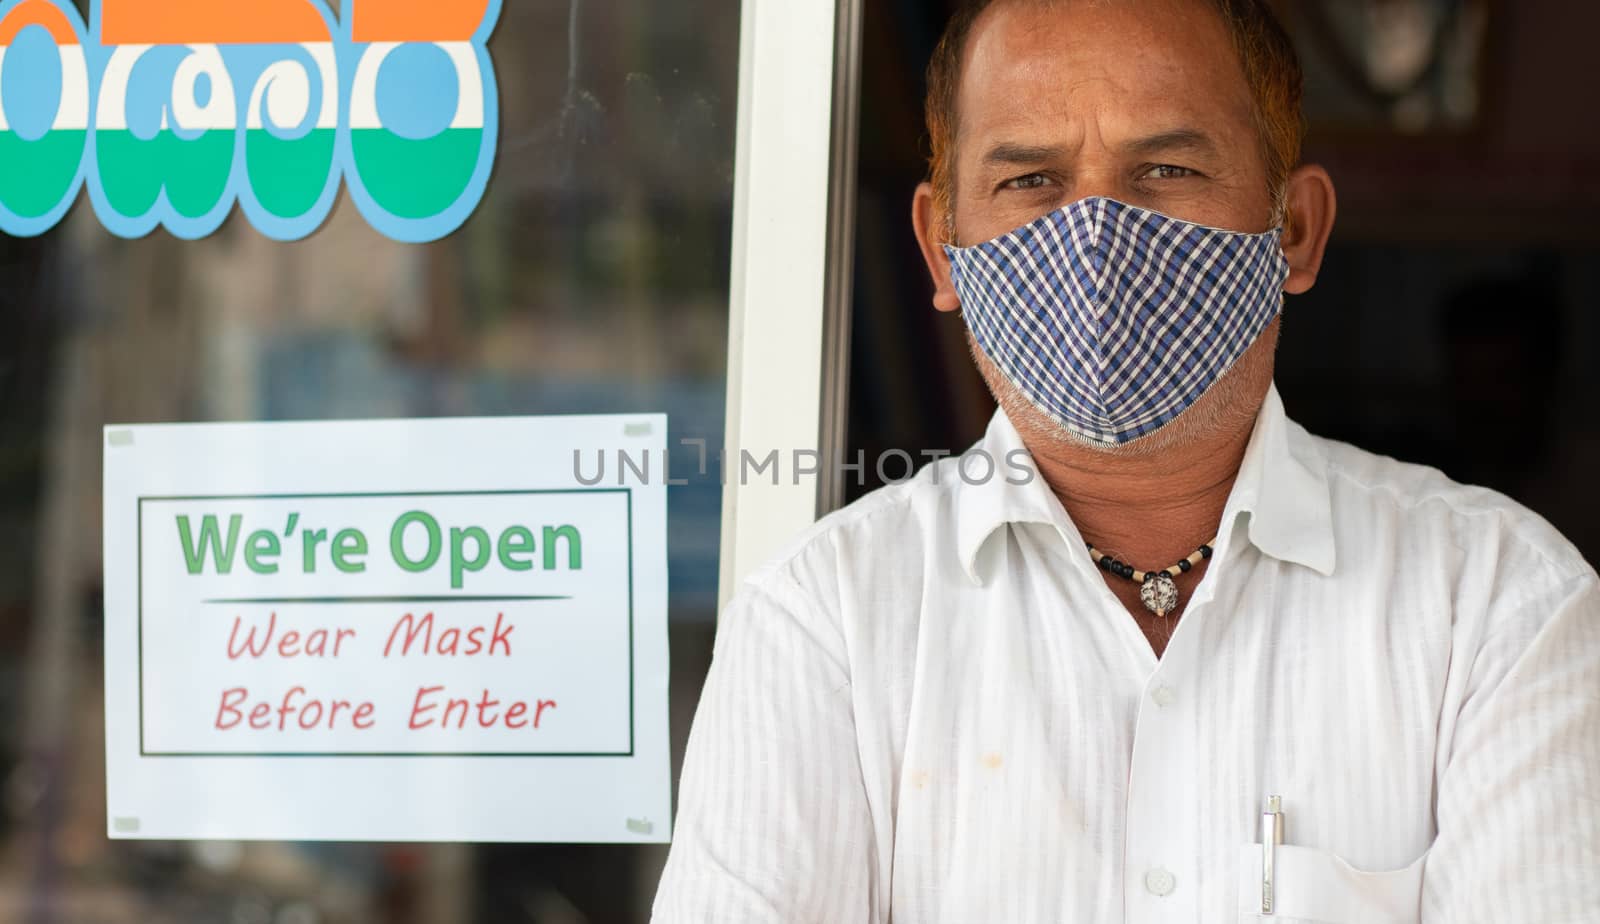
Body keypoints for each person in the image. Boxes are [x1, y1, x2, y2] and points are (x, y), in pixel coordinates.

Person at [652, 0, 1600, 920]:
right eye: (1030, 181)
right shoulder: (826, 625)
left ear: (1296, 231)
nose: (1097, 241)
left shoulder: (1496, 605)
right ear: (943, 255)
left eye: (1168, 169)